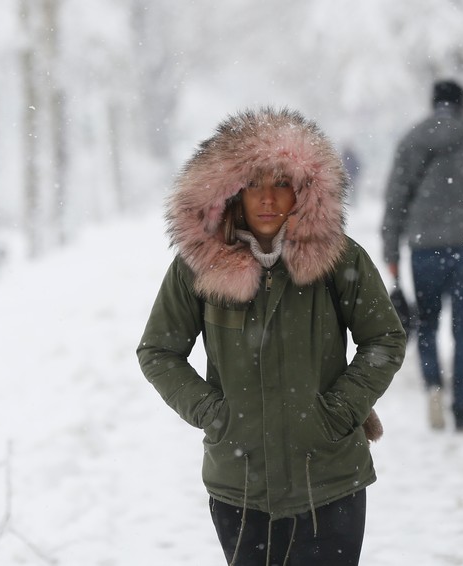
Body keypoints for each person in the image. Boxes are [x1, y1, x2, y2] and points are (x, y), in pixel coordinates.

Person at [138, 108, 406, 565]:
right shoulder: (198, 266)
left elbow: (385, 339)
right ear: (232, 193)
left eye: (280, 184)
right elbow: (158, 351)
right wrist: (212, 413)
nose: (266, 198)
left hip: (329, 479)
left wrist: (340, 410)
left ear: (301, 191)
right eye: (253, 185)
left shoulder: (339, 259)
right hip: (240, 486)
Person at [381, 79, 463, 432]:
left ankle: (434, 388)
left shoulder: (412, 140)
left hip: (423, 250)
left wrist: (391, 251)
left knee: (426, 325)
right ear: (461, 104)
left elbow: (395, 201)